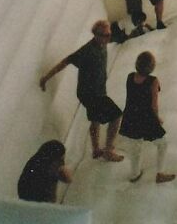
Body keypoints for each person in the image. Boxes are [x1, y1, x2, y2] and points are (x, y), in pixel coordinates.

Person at [39, 21, 124, 162]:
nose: (109, 37)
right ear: (96, 35)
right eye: (105, 35)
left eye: (109, 34)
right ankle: (109, 150)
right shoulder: (87, 51)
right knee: (116, 116)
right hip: (90, 93)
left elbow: (117, 38)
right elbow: (66, 61)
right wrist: (46, 78)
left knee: (95, 119)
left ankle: (96, 150)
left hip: (97, 90)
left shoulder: (103, 43)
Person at [120, 51, 175, 184]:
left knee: (136, 147)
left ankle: (135, 174)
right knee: (162, 144)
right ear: (151, 67)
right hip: (146, 118)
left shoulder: (130, 77)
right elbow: (154, 105)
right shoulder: (153, 81)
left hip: (131, 117)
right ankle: (160, 173)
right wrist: (157, 119)